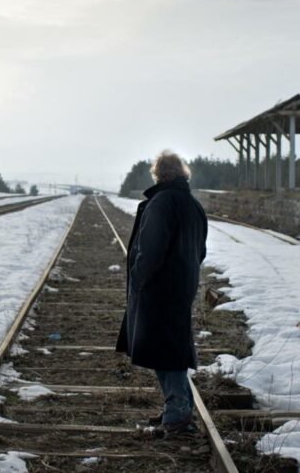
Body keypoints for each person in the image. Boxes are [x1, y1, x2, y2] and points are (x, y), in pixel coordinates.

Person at [115, 150, 208, 433]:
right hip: (181, 285)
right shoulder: (193, 205)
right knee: (170, 347)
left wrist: (138, 279)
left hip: (159, 287)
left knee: (166, 351)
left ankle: (177, 412)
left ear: (158, 175)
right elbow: (201, 250)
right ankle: (177, 408)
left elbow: (150, 250)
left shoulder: (162, 202)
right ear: (183, 173)